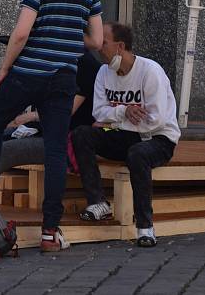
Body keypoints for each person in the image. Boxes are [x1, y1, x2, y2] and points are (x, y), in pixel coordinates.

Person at [0, 0, 103, 253]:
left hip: (29, 72)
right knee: (56, 149)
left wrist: (4, 68)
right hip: (63, 77)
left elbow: (20, 33)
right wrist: (70, 39)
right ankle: (49, 232)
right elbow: (98, 40)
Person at [72, 22, 181, 248]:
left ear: (120, 46)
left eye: (103, 42)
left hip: (159, 138)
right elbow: (98, 112)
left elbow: (156, 120)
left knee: (138, 153)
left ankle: (145, 227)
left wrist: (114, 119)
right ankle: (98, 203)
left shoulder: (150, 71)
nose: (98, 48)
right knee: (82, 134)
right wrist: (124, 111)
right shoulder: (104, 72)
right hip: (126, 132)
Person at [0, 51, 102, 187]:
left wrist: (33, 115)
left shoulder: (85, 64)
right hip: (45, 129)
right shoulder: (56, 58)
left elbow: (66, 111)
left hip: (67, 138)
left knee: (5, 150)